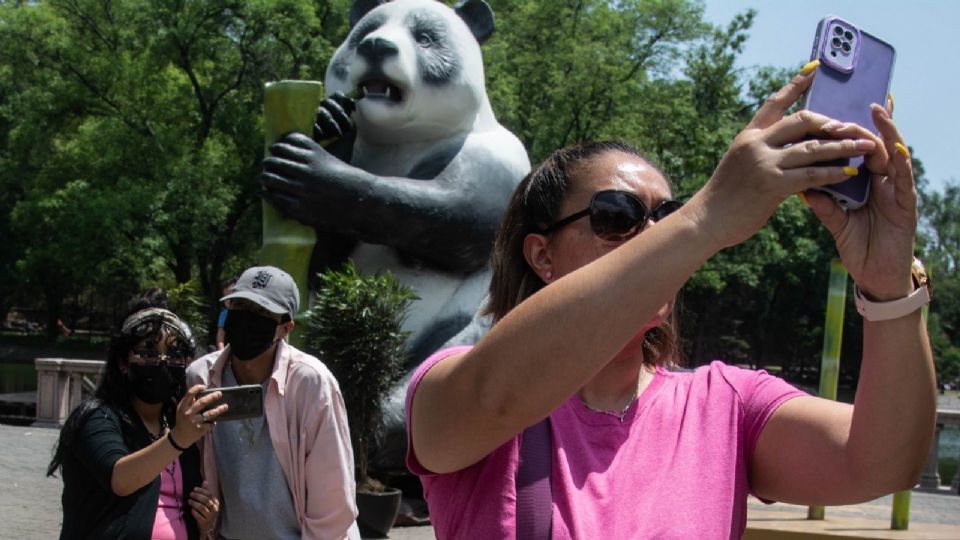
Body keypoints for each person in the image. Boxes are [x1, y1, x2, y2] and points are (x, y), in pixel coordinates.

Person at [404, 64, 936, 538]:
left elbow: (883, 461)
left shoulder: (726, 404)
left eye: (667, 215)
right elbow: (496, 397)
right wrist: (703, 218)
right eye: (617, 216)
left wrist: (889, 287)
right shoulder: (452, 383)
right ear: (542, 255)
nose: (656, 235)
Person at [186, 265, 360, 540]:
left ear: (285, 327)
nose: (246, 319)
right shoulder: (201, 377)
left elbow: (333, 503)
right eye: (240, 305)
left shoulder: (311, 384)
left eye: (261, 313)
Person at [48, 297, 228, 540]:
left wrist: (205, 524)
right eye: (148, 353)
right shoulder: (97, 418)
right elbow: (120, 479)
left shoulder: (176, 423)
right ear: (123, 361)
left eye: (174, 354)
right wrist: (177, 440)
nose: (163, 362)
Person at [215, 277, 237, 351]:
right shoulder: (224, 314)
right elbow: (220, 335)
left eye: (231, 295)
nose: (228, 299)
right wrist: (221, 350)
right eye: (225, 296)